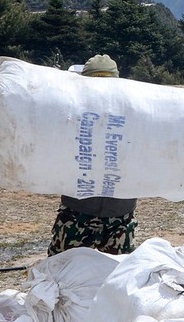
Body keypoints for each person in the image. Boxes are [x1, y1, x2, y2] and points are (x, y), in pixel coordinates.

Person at [47, 53, 140, 256]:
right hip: (79, 211)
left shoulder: (135, 114)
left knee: (115, 279)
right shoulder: (69, 114)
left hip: (117, 215)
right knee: (64, 275)